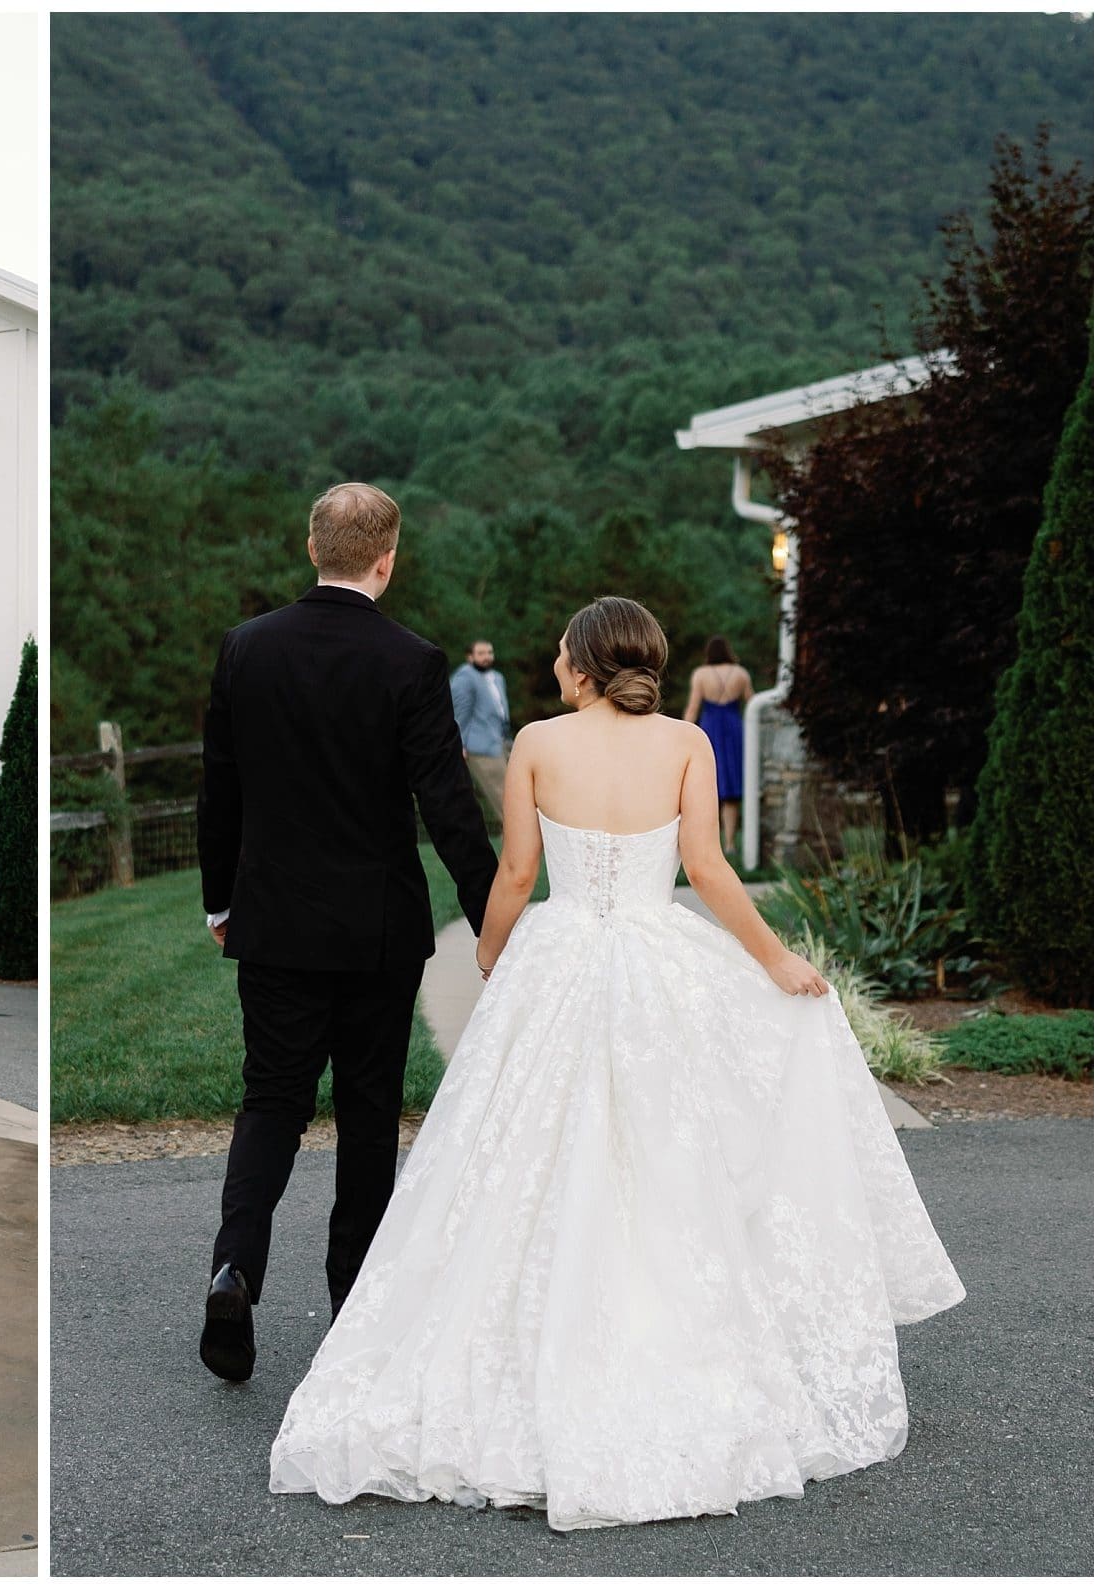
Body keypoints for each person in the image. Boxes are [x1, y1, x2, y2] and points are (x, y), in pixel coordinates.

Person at [268, 596, 964, 1529]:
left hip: (555, 960)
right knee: (664, 1151)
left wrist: (492, 952)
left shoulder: (537, 744)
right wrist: (777, 959)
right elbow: (708, 872)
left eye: (561, 649)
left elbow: (514, 875)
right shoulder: (685, 745)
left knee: (516, 1154)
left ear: (585, 666)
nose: (553, 660)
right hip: (654, 956)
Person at [195, 482, 498, 1384]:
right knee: (368, 1117)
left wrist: (221, 904)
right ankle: (353, 1303)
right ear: (387, 558)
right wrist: (494, 923)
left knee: (271, 1103)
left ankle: (235, 1267)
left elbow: (223, 790)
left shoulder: (246, 648)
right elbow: (447, 804)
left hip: (275, 923)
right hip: (377, 934)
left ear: (310, 546)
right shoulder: (412, 659)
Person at [685, 635, 753, 853]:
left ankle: (709, 844)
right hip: (734, 730)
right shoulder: (741, 674)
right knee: (731, 788)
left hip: (710, 729)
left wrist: (684, 736)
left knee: (709, 786)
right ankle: (730, 843)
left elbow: (693, 709)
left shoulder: (701, 675)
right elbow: (753, 705)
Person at [449, 638, 513, 823]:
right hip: (481, 746)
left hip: (502, 741)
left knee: (515, 791)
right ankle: (516, 840)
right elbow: (459, 714)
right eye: (481, 654)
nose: (487, 657)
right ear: (470, 657)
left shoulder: (497, 677)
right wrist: (459, 743)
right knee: (503, 796)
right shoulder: (464, 679)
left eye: (489, 653)